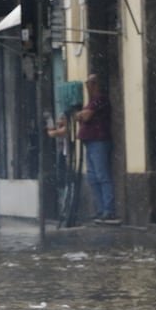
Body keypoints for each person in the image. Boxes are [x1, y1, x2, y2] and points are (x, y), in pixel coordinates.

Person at [48, 74, 115, 224]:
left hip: (99, 141)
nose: (87, 87)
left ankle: (108, 210)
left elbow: (85, 116)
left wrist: (80, 115)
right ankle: (100, 209)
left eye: (90, 83)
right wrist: (79, 115)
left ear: (96, 84)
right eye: (87, 84)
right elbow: (81, 115)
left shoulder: (100, 100)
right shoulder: (90, 102)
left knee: (102, 175)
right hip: (90, 142)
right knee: (92, 177)